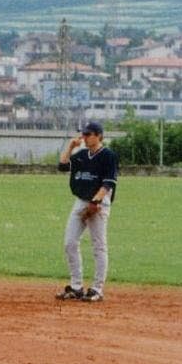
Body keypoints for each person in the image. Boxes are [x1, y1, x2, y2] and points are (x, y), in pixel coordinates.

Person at [56, 121, 118, 302]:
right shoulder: (81, 155)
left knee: (98, 245)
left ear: (98, 135)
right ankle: (76, 287)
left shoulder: (108, 155)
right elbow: (62, 166)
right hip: (81, 200)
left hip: (99, 202)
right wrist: (70, 147)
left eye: (88, 134)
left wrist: (95, 203)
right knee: (69, 242)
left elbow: (108, 183)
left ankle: (97, 289)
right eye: (83, 134)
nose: (84, 137)